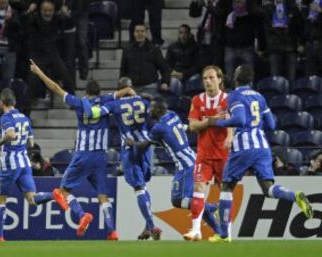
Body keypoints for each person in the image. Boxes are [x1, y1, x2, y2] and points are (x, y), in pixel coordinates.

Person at [205, 64, 313, 243]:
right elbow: (271, 124)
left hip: (243, 148)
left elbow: (239, 119)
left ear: (237, 77)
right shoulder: (259, 96)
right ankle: (294, 196)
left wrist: (216, 123)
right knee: (268, 189)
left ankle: (224, 235)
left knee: (226, 188)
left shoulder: (234, 96)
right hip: (262, 147)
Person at [29, 60, 135, 240]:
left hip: (83, 155)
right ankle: (112, 231)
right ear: (99, 93)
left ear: (86, 93)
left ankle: (81, 215)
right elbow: (125, 91)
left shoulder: (79, 103)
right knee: (103, 196)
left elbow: (55, 88)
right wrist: (131, 93)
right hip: (101, 157)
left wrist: (38, 72)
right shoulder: (106, 100)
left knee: (63, 191)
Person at [125, 98, 222, 240]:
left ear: (158, 109)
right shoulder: (173, 114)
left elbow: (144, 145)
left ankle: (212, 207)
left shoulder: (158, 128)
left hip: (185, 166)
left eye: (151, 107)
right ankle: (219, 231)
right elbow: (184, 128)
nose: (148, 110)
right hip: (193, 159)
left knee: (177, 200)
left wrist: (131, 142)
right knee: (192, 200)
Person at [85, 77, 162, 240]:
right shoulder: (144, 102)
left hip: (130, 147)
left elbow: (95, 113)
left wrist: (86, 104)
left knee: (139, 188)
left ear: (119, 90)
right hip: (146, 146)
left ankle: (151, 225)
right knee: (144, 187)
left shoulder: (115, 104)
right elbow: (157, 114)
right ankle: (148, 226)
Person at [0, 88, 61, 242]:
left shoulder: (5, 117)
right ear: (14, 102)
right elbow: (31, 142)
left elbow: (11, 134)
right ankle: (53, 195)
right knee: (32, 200)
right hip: (24, 162)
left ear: (2, 103)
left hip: (10, 163)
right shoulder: (25, 118)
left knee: (0, 200)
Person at [184, 65, 232, 240]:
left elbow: (232, 123)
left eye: (211, 78)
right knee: (198, 188)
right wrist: (211, 121)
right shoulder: (197, 100)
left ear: (220, 79)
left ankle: (227, 234)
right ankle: (196, 230)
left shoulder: (228, 100)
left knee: (225, 193)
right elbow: (192, 125)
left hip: (223, 155)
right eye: (205, 78)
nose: (207, 81)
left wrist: (228, 136)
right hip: (204, 154)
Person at [120, 23, 170, 96]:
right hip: (132, 88)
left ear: (146, 33)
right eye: (137, 31)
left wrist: (165, 82)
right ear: (133, 33)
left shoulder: (154, 50)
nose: (140, 34)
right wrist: (122, 86)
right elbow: (123, 70)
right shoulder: (127, 50)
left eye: (142, 31)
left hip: (150, 87)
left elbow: (164, 68)